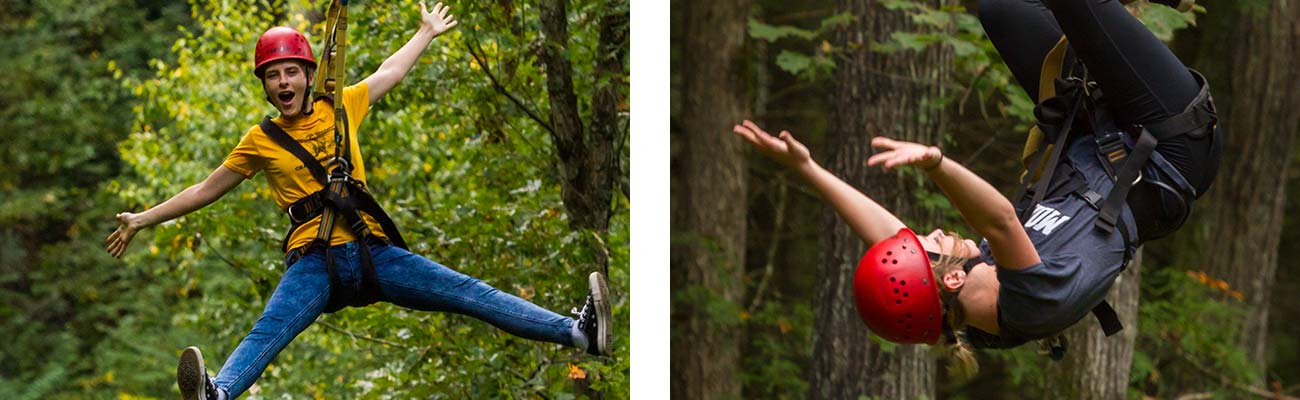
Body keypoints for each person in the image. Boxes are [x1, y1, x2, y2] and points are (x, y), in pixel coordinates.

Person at [104, 3, 611, 399]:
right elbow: (204, 190)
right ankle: (218, 394)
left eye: (291, 72)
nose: (283, 82)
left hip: (373, 253)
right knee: (267, 331)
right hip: (314, 262)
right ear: (264, 85)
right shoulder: (259, 141)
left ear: (307, 74)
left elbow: (389, 72)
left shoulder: (342, 106)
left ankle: (577, 333)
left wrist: (425, 33)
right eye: (272, 75)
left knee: (469, 293)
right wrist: (143, 219)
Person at [730, 0, 1219, 377]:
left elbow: (889, 238)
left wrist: (809, 169)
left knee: (1002, 8)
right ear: (952, 280)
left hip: (1098, 134)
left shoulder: (966, 302)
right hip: (1170, 147)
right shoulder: (1030, 304)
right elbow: (1000, 219)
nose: (938, 232)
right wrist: (937, 164)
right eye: (934, 244)